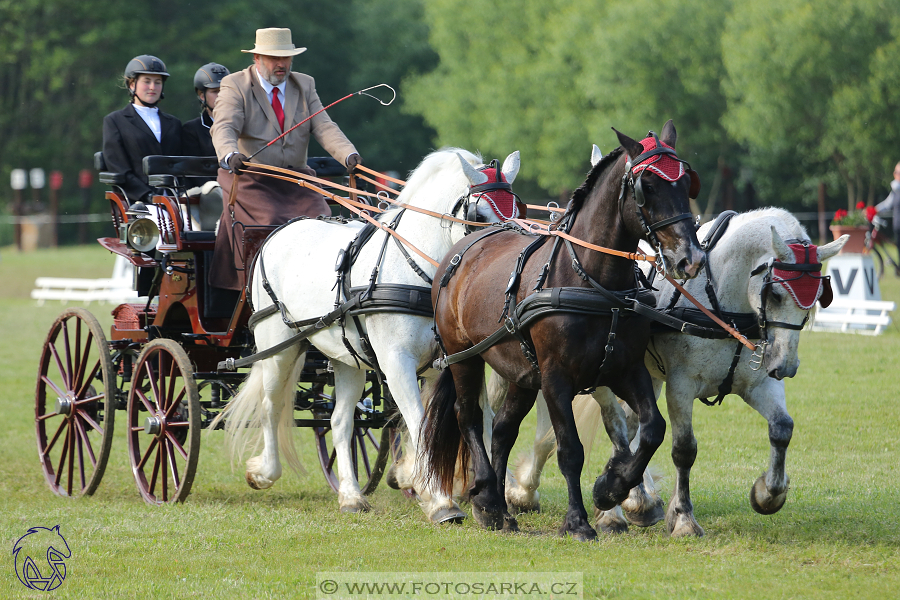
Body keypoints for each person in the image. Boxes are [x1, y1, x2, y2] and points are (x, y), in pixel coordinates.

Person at [209, 27, 363, 290]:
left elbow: (324, 126)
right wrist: (230, 153)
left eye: (286, 58)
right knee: (274, 223)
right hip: (251, 180)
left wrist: (348, 155)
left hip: (296, 180)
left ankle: (319, 287)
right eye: (273, 58)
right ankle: (261, 289)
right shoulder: (235, 84)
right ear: (256, 58)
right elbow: (224, 127)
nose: (281, 64)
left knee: (323, 220)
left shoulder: (305, 84)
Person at [102, 55, 182, 203]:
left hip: (177, 198)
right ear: (132, 85)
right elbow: (119, 169)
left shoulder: (174, 123)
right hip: (139, 201)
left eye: (157, 82)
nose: (153, 87)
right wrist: (148, 195)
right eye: (147, 81)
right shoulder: (115, 121)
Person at [183, 62, 230, 229]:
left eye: (225, 91)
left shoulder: (245, 126)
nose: (222, 96)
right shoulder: (191, 130)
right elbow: (194, 172)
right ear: (202, 96)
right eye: (216, 92)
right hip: (206, 196)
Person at [875, 161, 900, 247]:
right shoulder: (895, 190)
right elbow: (887, 205)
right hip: (898, 227)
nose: (896, 175)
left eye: (898, 173)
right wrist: (874, 210)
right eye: (896, 172)